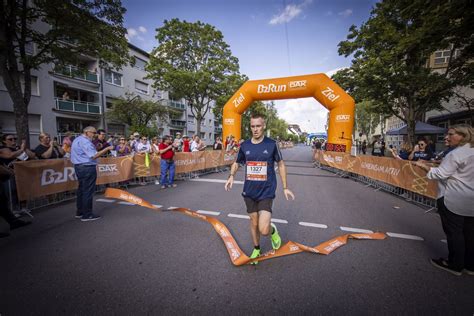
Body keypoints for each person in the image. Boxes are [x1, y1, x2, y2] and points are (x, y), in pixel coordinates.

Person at [224, 114, 295, 264]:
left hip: (266, 191)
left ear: (264, 127)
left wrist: (285, 187)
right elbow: (237, 163)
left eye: (258, 126)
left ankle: (272, 230)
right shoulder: (245, 146)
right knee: (254, 223)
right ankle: (256, 248)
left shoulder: (272, 144)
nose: (255, 129)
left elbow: (281, 164)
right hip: (249, 192)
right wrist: (231, 176)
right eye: (252, 126)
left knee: (263, 229)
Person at [415, 124, 474, 276]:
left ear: (463, 136)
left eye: (451, 134)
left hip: (452, 197)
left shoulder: (456, 154)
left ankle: (454, 264)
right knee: (469, 233)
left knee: (454, 232)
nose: (447, 137)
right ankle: (470, 265)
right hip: (471, 198)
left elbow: (440, 174)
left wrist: (423, 166)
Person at [71, 126, 114, 221]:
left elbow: (86, 152)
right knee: (87, 191)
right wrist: (107, 148)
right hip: (87, 167)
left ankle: (80, 211)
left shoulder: (77, 139)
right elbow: (94, 155)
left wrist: (97, 148)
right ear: (87, 132)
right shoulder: (85, 141)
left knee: (82, 190)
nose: (95, 135)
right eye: (93, 133)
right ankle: (87, 214)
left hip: (79, 166)